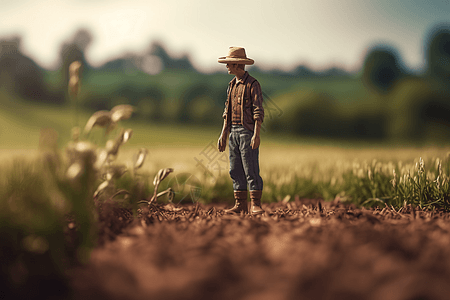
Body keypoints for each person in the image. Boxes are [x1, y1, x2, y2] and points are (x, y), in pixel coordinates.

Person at [217, 46, 265, 215]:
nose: (227, 66)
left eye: (229, 63)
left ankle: (255, 204)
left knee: (250, 168)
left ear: (237, 65)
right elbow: (227, 112)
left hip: (246, 132)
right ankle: (240, 204)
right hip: (233, 133)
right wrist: (224, 133)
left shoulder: (253, 84)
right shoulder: (231, 85)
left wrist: (256, 134)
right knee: (235, 169)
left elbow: (258, 110)